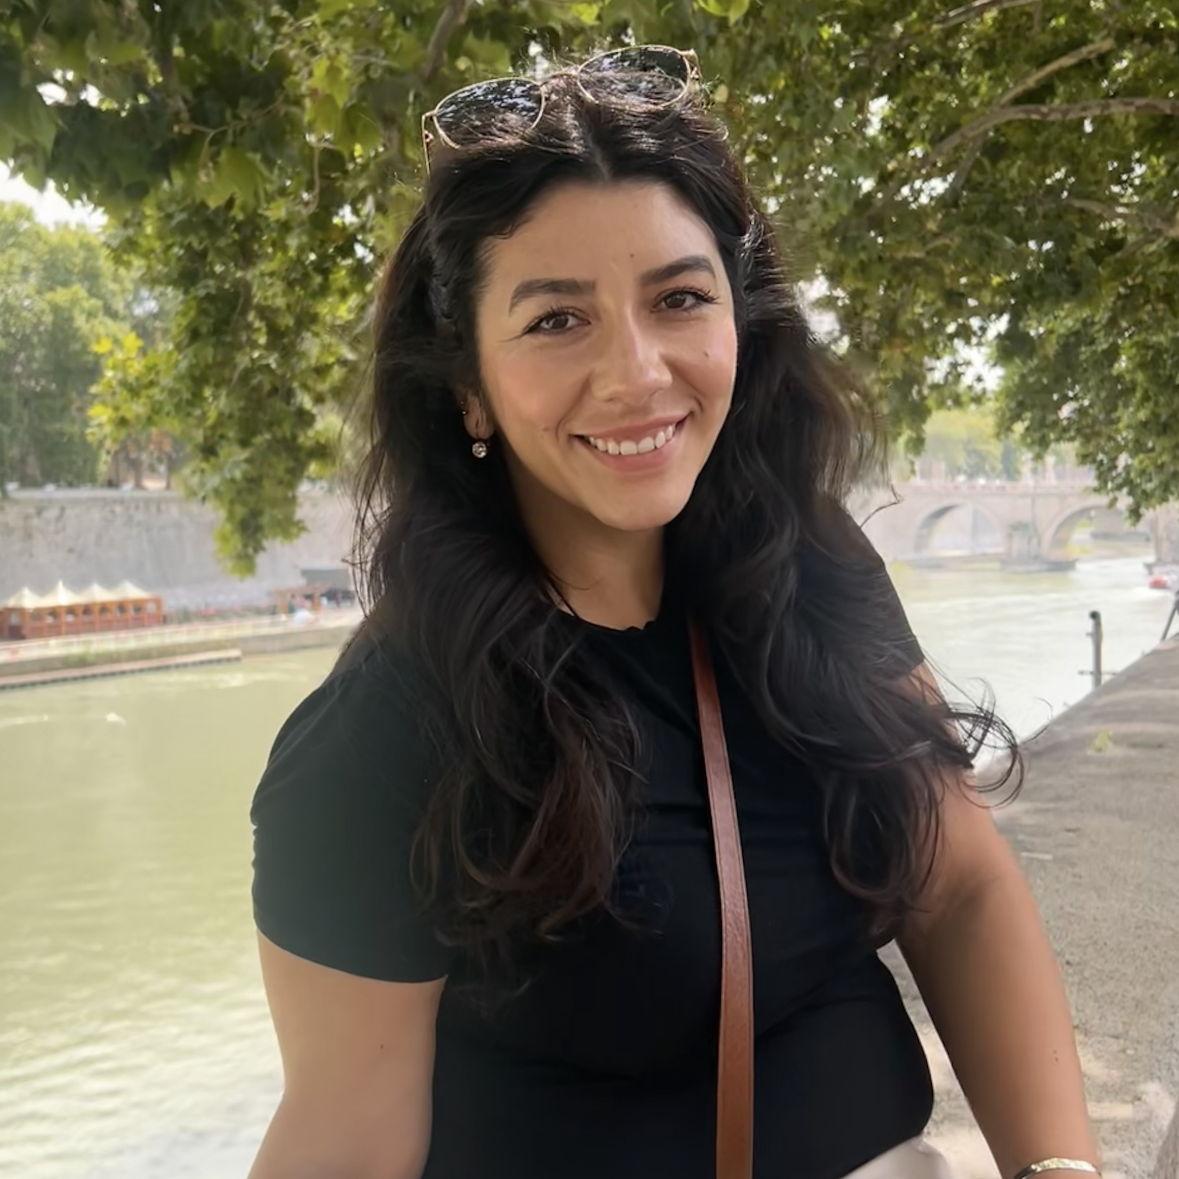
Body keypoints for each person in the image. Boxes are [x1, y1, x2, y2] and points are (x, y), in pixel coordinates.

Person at [246, 46, 1102, 1179]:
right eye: (558, 320)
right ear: (467, 390)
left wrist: (1058, 1169)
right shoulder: (379, 742)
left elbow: (959, 886)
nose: (638, 373)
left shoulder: (806, 567)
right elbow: (346, 1139)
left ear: (740, 320)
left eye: (679, 299)